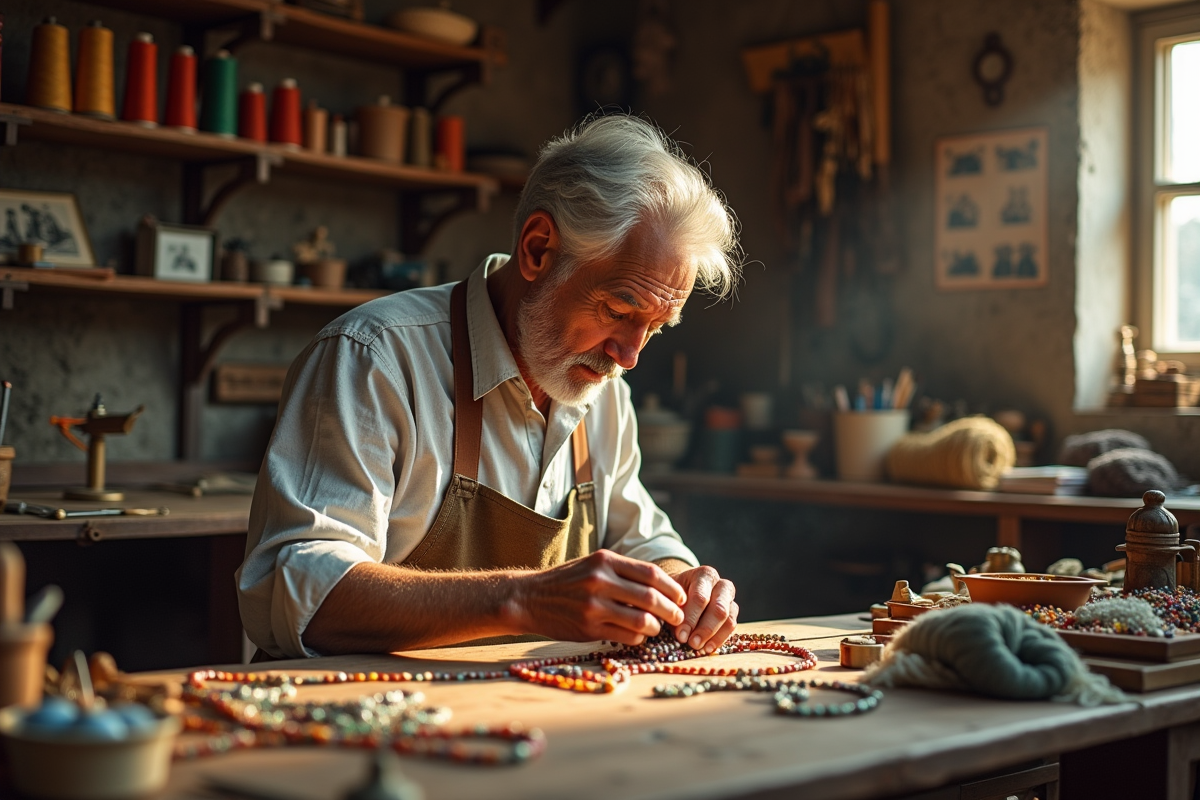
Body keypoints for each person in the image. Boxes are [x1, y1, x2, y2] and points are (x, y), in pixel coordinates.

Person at [237, 114, 743, 659]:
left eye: (655, 328)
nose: (630, 355)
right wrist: (522, 598)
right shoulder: (375, 357)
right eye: (618, 310)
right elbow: (301, 591)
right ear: (538, 249)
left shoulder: (601, 385)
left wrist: (681, 581)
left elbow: (639, 536)